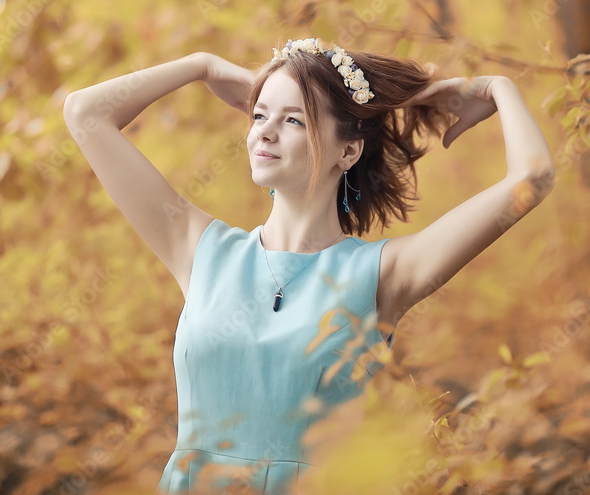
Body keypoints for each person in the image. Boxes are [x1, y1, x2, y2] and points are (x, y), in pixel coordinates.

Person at [62, 38, 555, 494]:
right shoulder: (199, 249)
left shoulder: (382, 275)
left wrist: (498, 88)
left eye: (293, 120)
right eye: (259, 115)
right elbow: (84, 113)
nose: (266, 132)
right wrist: (201, 65)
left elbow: (533, 177)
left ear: (349, 149)